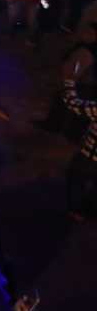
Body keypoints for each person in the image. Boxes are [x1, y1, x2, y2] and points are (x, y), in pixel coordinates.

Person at [61, 78, 97, 220]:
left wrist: (68, 82)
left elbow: (73, 103)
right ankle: (87, 211)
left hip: (88, 157)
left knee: (75, 178)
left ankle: (76, 211)